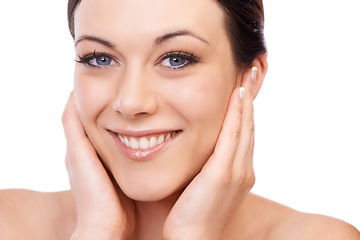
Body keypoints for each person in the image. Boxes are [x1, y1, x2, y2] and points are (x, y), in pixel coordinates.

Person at [0, 0, 359, 239]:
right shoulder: (11, 223)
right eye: (99, 59)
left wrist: (193, 234)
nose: (130, 102)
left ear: (250, 76)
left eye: (176, 59)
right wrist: (96, 230)